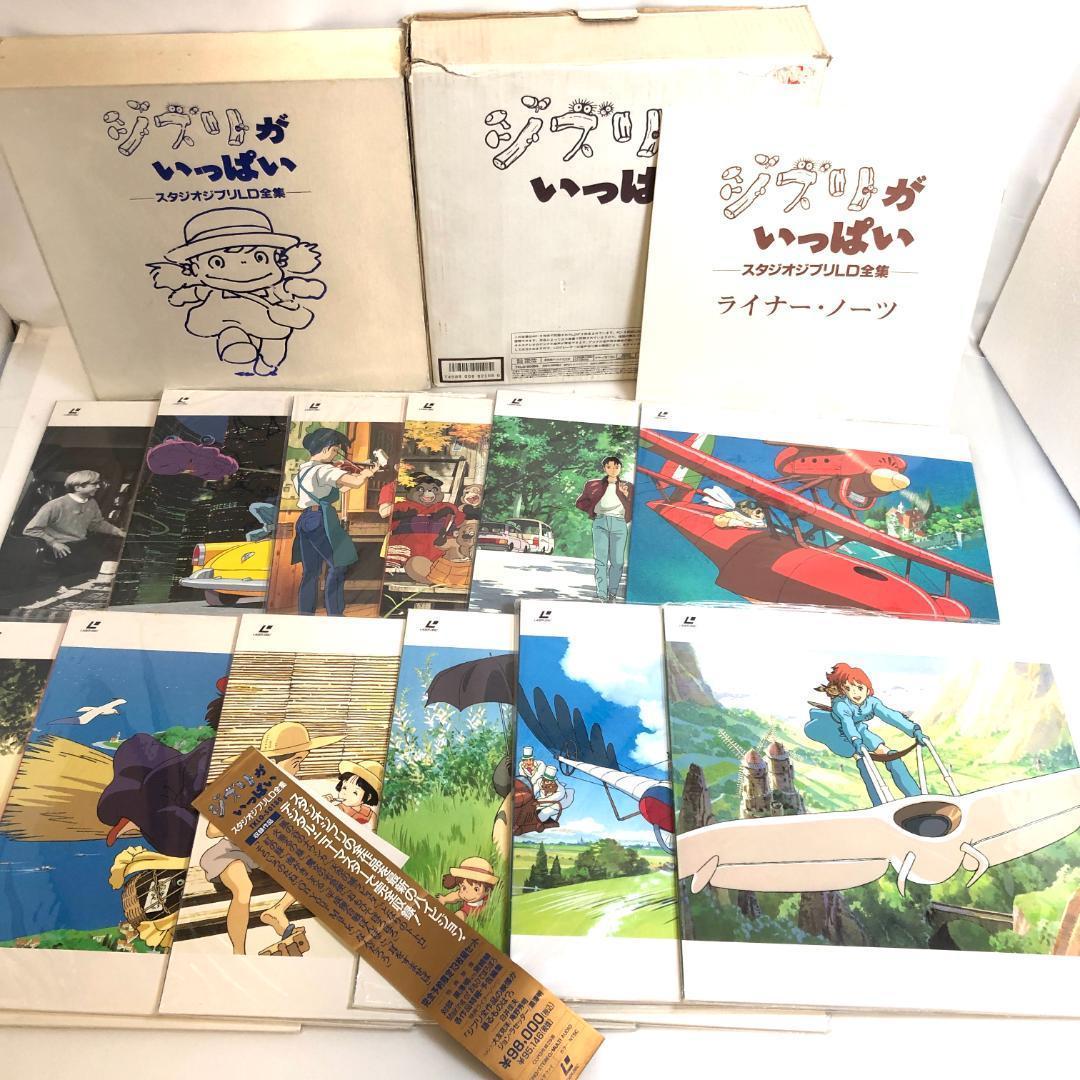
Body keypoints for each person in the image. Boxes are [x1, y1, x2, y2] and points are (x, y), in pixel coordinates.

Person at [200, 721, 342, 955]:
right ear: (274, 762)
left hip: (269, 853)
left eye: (300, 763)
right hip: (232, 853)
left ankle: (277, 911)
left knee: (314, 867)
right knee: (243, 888)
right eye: (295, 763)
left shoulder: (290, 788)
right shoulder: (245, 788)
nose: (297, 769)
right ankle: (238, 952)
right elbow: (212, 830)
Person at [804, 662, 926, 806]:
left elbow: (890, 715)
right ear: (843, 690)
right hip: (835, 731)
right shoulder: (841, 705)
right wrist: (856, 741)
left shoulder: (872, 703)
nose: (855, 693)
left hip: (858, 728)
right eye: (848, 689)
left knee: (888, 753)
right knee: (862, 758)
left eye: (859, 688)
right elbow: (847, 723)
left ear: (868, 689)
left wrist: (914, 730)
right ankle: (879, 802)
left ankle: (914, 795)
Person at [291, 427, 378, 617]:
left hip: (305, 519)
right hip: (320, 519)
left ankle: (305, 613)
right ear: (326, 448)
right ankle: (335, 613)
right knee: (339, 564)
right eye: (335, 450)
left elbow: (340, 488)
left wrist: (356, 476)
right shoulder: (324, 469)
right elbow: (354, 483)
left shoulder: (303, 471)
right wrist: (366, 474)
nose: (335, 455)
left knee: (311, 571)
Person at [22, 469, 125, 592]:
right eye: (94, 484)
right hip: (61, 547)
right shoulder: (55, 505)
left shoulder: (92, 503)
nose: (98, 487)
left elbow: (97, 524)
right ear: (78, 487)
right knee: (75, 575)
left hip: (82, 544)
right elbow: (30, 529)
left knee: (107, 564)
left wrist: (118, 532)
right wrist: (53, 542)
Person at [575, 455, 634, 602]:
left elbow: (634, 506)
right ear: (604, 468)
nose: (613, 470)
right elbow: (580, 502)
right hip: (600, 522)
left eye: (616, 467)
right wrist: (593, 510)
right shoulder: (593, 484)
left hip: (619, 523)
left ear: (620, 468)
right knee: (600, 560)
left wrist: (626, 495)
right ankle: (602, 594)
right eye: (609, 467)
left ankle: (612, 594)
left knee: (617, 562)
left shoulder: (628, 486)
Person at [437, 857, 500, 922]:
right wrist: (444, 899)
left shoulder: (489, 899)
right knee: (460, 914)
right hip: (466, 912)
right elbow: (455, 896)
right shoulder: (462, 895)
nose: (467, 893)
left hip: (483, 917)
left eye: (476, 889)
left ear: (487, 891)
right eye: (463, 887)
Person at [330, 759, 382, 829]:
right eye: (344, 788)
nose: (346, 793)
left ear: (368, 797)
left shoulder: (370, 814)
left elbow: (374, 829)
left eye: (355, 792)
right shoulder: (339, 809)